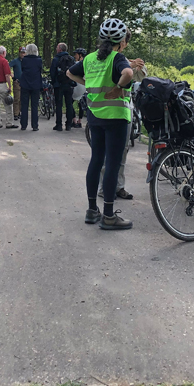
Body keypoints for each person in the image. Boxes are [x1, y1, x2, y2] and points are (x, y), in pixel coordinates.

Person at [66, 18, 134, 230]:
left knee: (96, 160)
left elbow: (69, 72)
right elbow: (129, 73)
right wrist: (117, 88)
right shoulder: (117, 57)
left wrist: (88, 83)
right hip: (116, 117)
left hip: (95, 115)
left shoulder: (89, 59)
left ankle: (91, 210)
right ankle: (109, 215)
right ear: (121, 41)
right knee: (112, 163)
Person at [99, 58, 147, 200]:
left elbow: (140, 77)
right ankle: (104, 188)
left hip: (125, 109)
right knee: (107, 150)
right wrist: (130, 67)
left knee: (123, 149)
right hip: (107, 109)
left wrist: (139, 68)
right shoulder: (105, 58)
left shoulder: (125, 60)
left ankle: (119, 186)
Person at [50, 43, 75, 131]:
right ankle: (68, 125)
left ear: (60, 49)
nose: (56, 48)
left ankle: (59, 125)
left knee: (59, 105)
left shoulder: (56, 59)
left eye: (57, 47)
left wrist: (54, 82)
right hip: (69, 84)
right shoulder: (71, 59)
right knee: (69, 104)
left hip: (59, 85)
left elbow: (52, 73)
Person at [19, 43, 43, 131]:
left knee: (24, 105)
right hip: (36, 84)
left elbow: (22, 69)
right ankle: (35, 125)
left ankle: (23, 125)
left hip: (25, 83)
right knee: (34, 105)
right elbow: (40, 69)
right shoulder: (39, 60)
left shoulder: (24, 60)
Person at [0, 46, 17, 129]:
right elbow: (7, 75)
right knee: (8, 104)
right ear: (3, 53)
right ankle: (9, 123)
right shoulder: (4, 61)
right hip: (2, 84)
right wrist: (10, 86)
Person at [71, 48, 87, 128]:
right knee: (81, 104)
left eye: (76, 54)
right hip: (84, 86)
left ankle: (74, 120)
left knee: (70, 103)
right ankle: (80, 121)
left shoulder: (76, 64)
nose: (75, 56)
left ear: (80, 55)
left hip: (77, 85)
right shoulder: (87, 63)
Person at [8, 47, 25, 120]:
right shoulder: (15, 61)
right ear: (19, 53)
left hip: (25, 82)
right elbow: (7, 67)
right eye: (21, 53)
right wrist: (12, 76)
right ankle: (16, 113)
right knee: (17, 98)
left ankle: (20, 112)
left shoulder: (26, 61)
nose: (23, 54)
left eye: (24, 53)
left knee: (22, 98)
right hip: (17, 82)